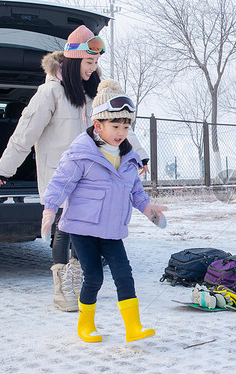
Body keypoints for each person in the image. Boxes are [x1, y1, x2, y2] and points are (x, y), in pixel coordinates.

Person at [0, 25, 149, 312]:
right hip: (61, 174)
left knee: (85, 230)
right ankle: (62, 284)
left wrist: (140, 157)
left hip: (92, 176)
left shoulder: (93, 96)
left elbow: (117, 124)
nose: (93, 68)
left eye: (96, 63)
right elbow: (25, 132)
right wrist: (6, 169)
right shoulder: (49, 93)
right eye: (89, 62)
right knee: (64, 228)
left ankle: (80, 279)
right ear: (74, 61)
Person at [41, 79, 166, 343]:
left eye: (126, 126)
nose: (121, 132)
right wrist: (50, 210)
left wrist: (148, 207)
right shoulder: (82, 154)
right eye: (115, 126)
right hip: (81, 229)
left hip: (111, 229)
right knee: (94, 276)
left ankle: (133, 327)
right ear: (98, 125)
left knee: (124, 274)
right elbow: (60, 183)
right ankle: (85, 325)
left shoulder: (129, 159)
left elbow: (135, 191)